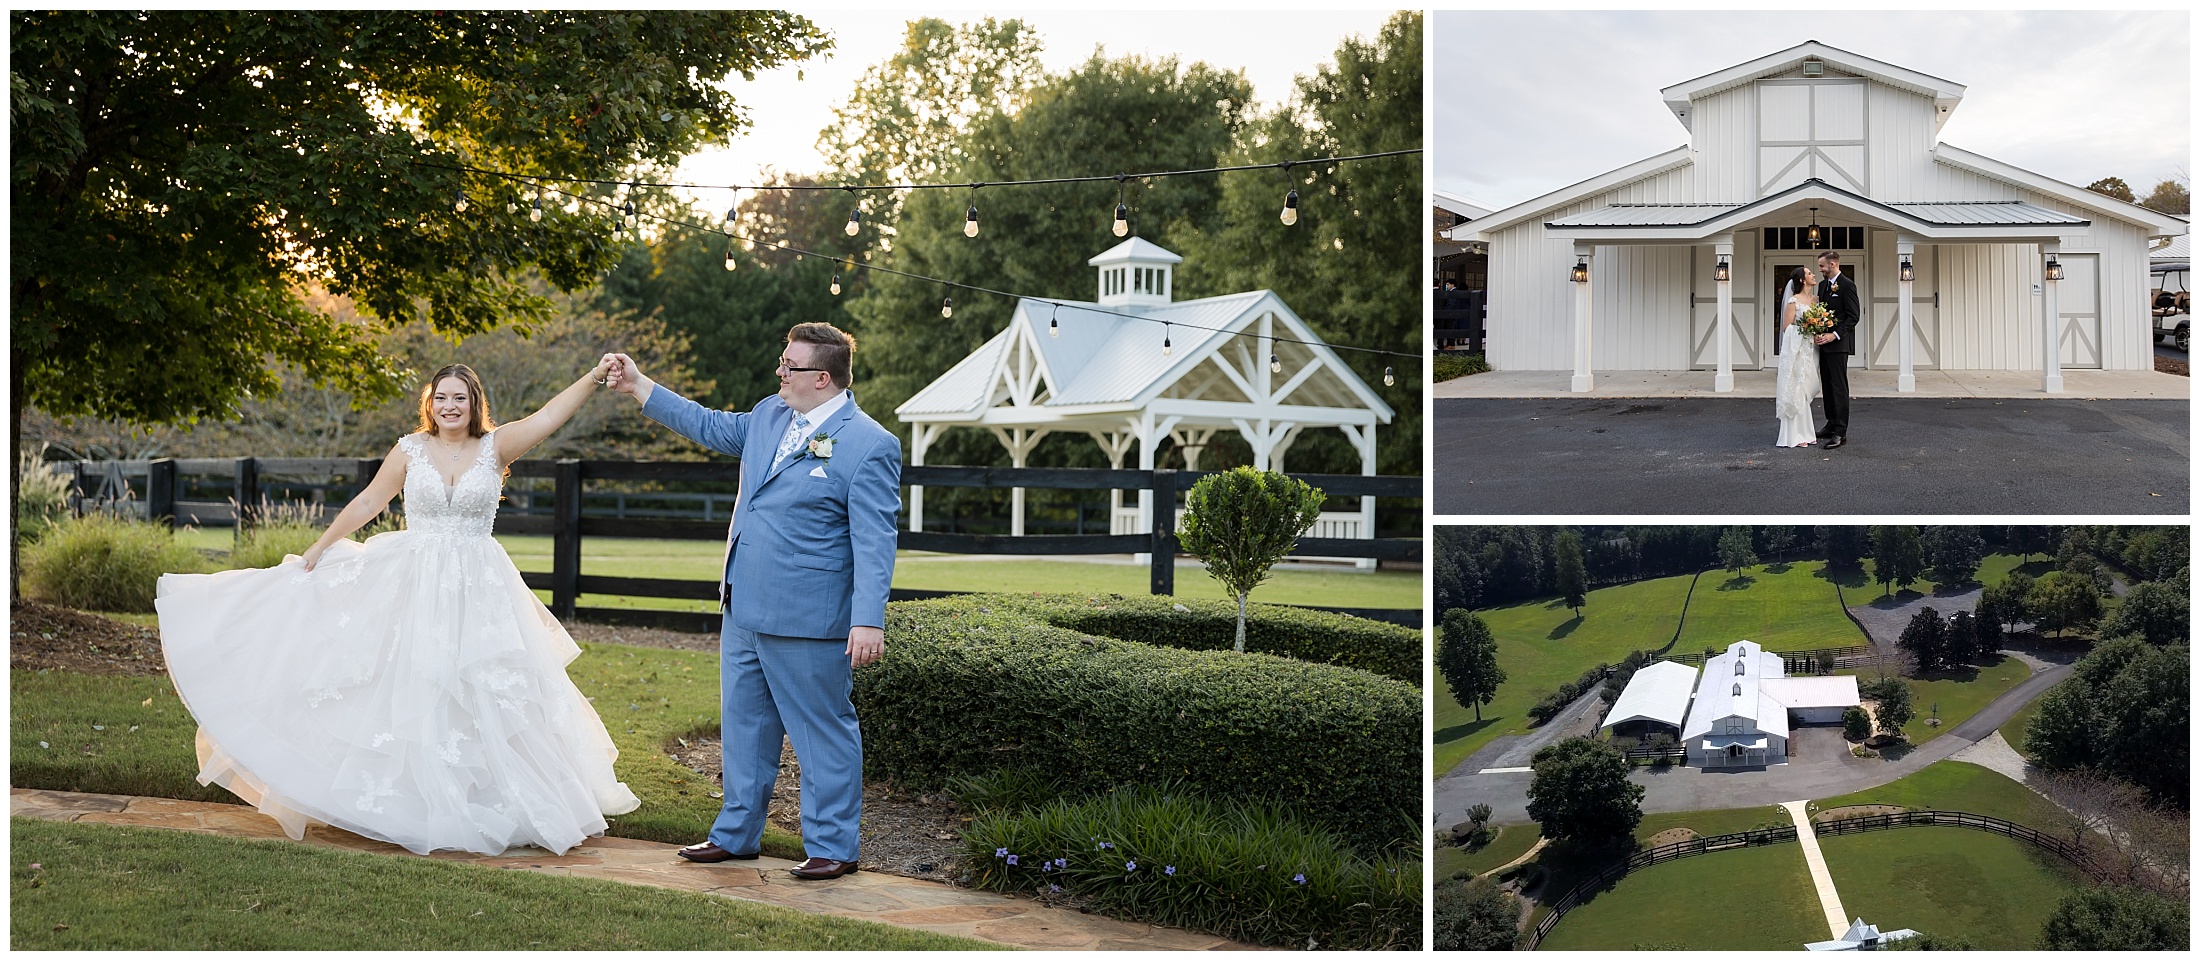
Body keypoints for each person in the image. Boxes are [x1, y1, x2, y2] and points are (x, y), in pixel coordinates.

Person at [156, 359, 639, 857]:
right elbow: (370, 502)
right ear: (430, 403)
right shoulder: (410, 449)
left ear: (475, 404)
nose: (450, 407)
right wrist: (319, 548)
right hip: (414, 580)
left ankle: (485, 797)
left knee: (484, 689)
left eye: (460, 398)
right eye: (442, 398)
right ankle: (408, 800)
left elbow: (548, 416)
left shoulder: (496, 446)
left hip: (480, 586)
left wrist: (592, 376)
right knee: (409, 682)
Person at [602, 322, 899, 882]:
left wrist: (868, 620)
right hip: (743, 606)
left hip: (809, 617)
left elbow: (875, 541)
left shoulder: (869, 444)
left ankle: (834, 846)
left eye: (789, 365)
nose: (779, 372)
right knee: (744, 727)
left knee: (821, 732)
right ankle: (736, 834)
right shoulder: (768, 416)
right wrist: (641, 386)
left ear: (823, 377)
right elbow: (709, 425)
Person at [1814, 249, 1861, 448]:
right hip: (1823, 346)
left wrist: (1834, 335)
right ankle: (1831, 423)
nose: (1820, 270)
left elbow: (1853, 317)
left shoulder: (1848, 286)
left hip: (1838, 345)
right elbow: (1821, 313)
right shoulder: (1823, 285)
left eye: (1822, 266)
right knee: (1827, 386)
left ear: (1832, 264)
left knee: (1839, 388)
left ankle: (1841, 432)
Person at [1775, 266, 1822, 448]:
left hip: (1813, 350)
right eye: (1809, 273)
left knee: (1807, 388)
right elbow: (1787, 328)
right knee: (1797, 389)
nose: (1813, 275)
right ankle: (1795, 435)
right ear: (1802, 280)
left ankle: (1807, 432)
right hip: (1798, 351)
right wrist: (1806, 329)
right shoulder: (1793, 301)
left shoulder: (1816, 300)